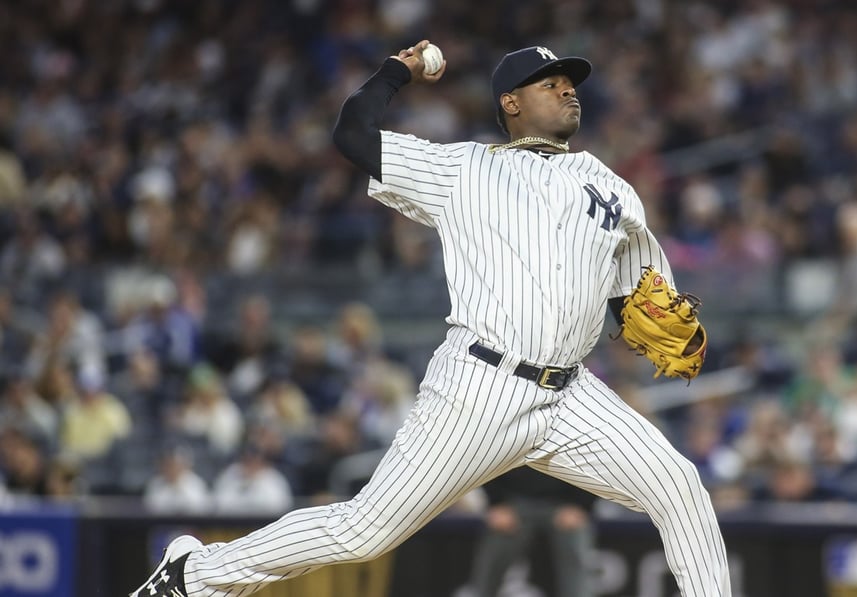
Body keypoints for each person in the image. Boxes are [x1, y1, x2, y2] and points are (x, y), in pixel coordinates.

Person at [130, 40, 730, 597]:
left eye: (570, 81)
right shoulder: (462, 170)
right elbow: (354, 134)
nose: (568, 89)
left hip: (572, 394)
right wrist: (399, 72)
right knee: (363, 532)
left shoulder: (612, 187)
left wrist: (644, 316)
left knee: (679, 488)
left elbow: (640, 297)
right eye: (550, 82)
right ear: (511, 102)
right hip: (481, 388)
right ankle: (196, 573)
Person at [470, 467, 598, 597]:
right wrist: (496, 503)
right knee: (492, 558)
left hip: (565, 503)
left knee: (577, 553)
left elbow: (595, 462)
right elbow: (488, 458)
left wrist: (582, 505)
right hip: (512, 502)